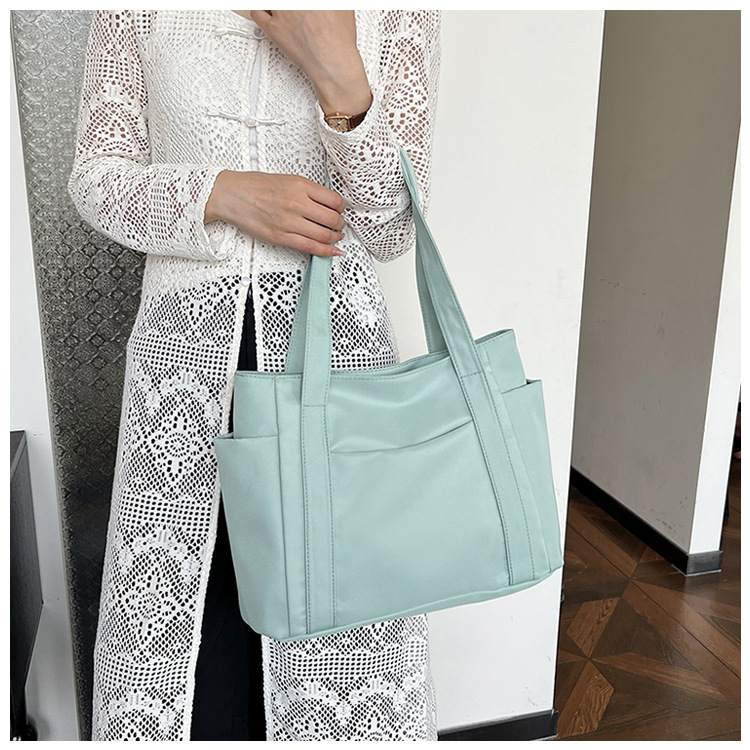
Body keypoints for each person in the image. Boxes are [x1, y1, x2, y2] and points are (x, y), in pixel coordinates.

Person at [68, 9, 442, 741]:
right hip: (184, 385)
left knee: (337, 650)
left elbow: (393, 227)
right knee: (193, 667)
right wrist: (225, 193)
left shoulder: (400, 12)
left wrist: (337, 73)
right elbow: (97, 178)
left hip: (335, 375)